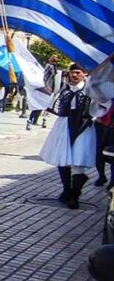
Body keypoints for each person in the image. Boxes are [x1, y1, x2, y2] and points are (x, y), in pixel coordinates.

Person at [39, 63, 96, 209]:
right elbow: (47, 82)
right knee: (62, 159)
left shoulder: (90, 90)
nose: (74, 75)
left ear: (85, 74)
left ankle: (74, 195)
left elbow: (101, 105)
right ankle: (66, 189)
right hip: (63, 125)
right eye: (72, 73)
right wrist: (50, 65)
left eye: (78, 72)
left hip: (82, 127)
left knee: (78, 159)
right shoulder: (64, 88)